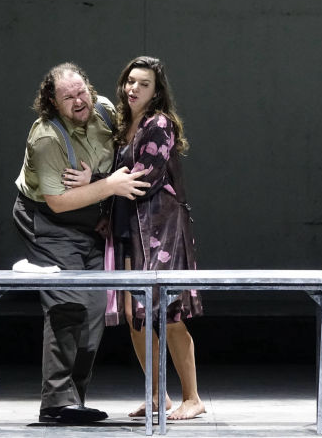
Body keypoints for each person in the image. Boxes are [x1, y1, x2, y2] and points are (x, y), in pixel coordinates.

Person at [12, 62, 151, 424]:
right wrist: (107, 187)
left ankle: (73, 399)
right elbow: (58, 201)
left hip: (89, 222)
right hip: (49, 222)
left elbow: (119, 161)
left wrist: (105, 204)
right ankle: (55, 401)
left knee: (96, 307)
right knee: (69, 303)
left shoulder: (104, 111)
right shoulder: (47, 138)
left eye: (81, 92)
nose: (78, 101)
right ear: (52, 104)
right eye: (67, 97)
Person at [104, 56, 205, 420]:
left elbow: (143, 179)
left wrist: (96, 184)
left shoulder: (158, 124)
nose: (134, 88)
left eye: (143, 84)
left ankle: (192, 397)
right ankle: (158, 395)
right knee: (136, 316)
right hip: (129, 228)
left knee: (169, 313)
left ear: (156, 91)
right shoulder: (122, 125)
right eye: (130, 81)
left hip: (160, 231)